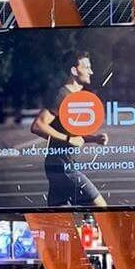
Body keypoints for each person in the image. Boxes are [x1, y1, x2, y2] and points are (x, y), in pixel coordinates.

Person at [30, 51, 109, 208]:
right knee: (101, 207)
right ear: (74, 70)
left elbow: (67, 132)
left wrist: (94, 138)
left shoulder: (75, 96)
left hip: (59, 166)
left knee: (59, 216)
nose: (91, 72)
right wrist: (68, 139)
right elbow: (38, 125)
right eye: (86, 67)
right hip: (63, 166)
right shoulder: (62, 95)